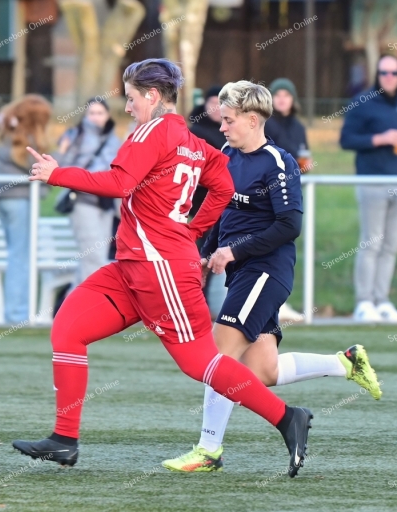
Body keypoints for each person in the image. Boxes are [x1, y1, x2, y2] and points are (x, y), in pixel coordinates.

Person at [12, 59, 313, 477]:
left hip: (161, 269)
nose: (127, 104)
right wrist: (193, 231)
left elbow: (119, 183)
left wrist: (57, 174)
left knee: (201, 363)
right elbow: (223, 182)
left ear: (152, 96)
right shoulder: (185, 137)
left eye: (131, 97)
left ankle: (286, 417)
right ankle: (64, 439)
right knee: (67, 329)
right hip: (133, 265)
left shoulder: (156, 131)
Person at [161, 80, 382, 472]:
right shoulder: (227, 154)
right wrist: (203, 251)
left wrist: (235, 251)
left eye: (228, 120)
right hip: (242, 271)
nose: (222, 126)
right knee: (264, 370)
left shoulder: (278, 162)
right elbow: (221, 209)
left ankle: (208, 450)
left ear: (251, 119)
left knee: (217, 358)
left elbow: (289, 226)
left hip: (265, 271)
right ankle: (345, 363)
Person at [340, 55, 397, 323]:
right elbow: (346, 139)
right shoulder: (363, 103)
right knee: (371, 242)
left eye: (394, 73)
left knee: (391, 245)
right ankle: (364, 302)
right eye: (384, 72)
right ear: (377, 74)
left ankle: (382, 300)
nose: (389, 77)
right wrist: (380, 139)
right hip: (372, 182)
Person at [0, 94, 52, 323]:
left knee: (17, 254)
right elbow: (45, 169)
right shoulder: (29, 145)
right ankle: (18, 314)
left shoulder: (6, 134)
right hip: (20, 201)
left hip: (3, 200)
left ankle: (17, 311)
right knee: (21, 257)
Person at [56, 97, 123, 285]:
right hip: (83, 201)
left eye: (100, 113)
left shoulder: (113, 139)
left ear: (107, 115)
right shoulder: (75, 134)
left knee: (96, 257)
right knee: (93, 258)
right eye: (92, 113)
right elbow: (60, 166)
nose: (95, 117)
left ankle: (71, 308)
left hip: (106, 203)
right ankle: (87, 307)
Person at [264, 78, 309, 323]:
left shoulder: (299, 127)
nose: (282, 99)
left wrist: (306, 167)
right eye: (277, 95)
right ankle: (270, 302)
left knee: (285, 250)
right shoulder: (266, 125)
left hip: (292, 195)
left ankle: (280, 300)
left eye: (287, 95)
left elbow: (304, 156)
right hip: (268, 196)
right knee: (267, 246)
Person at [188, 85, 227, 317]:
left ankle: (219, 310)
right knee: (200, 259)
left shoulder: (232, 132)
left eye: (219, 103)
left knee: (221, 259)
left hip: (227, 207)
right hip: (200, 209)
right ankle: (197, 309)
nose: (215, 108)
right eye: (211, 102)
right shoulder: (196, 132)